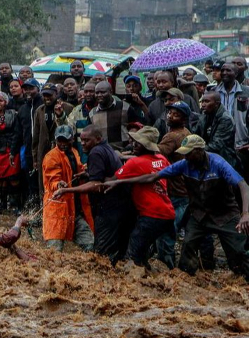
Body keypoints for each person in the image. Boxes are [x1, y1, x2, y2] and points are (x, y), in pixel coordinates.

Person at [104, 135, 249, 281]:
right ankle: (186, 281)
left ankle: (241, 279)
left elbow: (243, 185)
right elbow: (151, 177)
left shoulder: (218, 163)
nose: (185, 156)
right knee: (188, 245)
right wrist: (120, 182)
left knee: (238, 250)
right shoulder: (184, 164)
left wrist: (245, 214)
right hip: (199, 215)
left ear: (199, 151)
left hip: (225, 215)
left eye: (189, 153)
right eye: (184, 153)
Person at [53, 125, 134, 264]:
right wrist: (88, 174)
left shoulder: (95, 152)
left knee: (100, 256)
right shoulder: (106, 148)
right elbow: (105, 174)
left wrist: (67, 190)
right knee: (117, 252)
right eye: (81, 140)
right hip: (122, 206)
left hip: (109, 208)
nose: (83, 143)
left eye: (87, 140)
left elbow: (96, 186)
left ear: (97, 139)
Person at [112, 126, 175, 268]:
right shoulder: (162, 159)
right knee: (147, 252)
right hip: (168, 213)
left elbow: (112, 180)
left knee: (133, 256)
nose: (133, 144)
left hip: (150, 215)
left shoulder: (134, 163)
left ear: (146, 146)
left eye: (138, 143)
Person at [42, 125, 94, 252]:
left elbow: (79, 168)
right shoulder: (51, 157)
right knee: (54, 252)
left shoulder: (74, 152)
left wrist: (86, 171)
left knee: (90, 244)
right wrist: (59, 184)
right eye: (60, 141)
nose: (63, 144)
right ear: (55, 140)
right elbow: (52, 179)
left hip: (74, 209)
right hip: (57, 211)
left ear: (72, 140)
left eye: (65, 140)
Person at [155, 101, 192, 269]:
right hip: (187, 190)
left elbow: (156, 152)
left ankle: (166, 268)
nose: (170, 116)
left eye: (175, 114)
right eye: (169, 112)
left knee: (166, 231)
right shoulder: (186, 133)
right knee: (188, 232)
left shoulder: (172, 136)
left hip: (176, 192)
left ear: (183, 118)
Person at [32, 83, 72, 198]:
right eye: (44, 95)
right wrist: (35, 157)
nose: (47, 98)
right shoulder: (40, 110)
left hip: (62, 149)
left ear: (56, 94)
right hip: (43, 150)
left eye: (50, 95)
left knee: (61, 177)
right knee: (43, 178)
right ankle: (44, 203)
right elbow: (36, 135)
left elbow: (71, 128)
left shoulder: (68, 108)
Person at [12, 78, 44, 206]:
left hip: (43, 149)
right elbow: (18, 133)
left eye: (32, 88)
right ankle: (33, 206)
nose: (28, 91)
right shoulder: (23, 109)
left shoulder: (43, 106)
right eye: (26, 89)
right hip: (28, 149)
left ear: (38, 89)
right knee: (29, 179)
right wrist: (13, 152)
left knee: (43, 179)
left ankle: (44, 207)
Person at [215, 63, 249, 179]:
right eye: (222, 70)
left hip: (240, 145)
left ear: (236, 73)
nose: (224, 73)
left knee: (241, 179)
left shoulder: (246, 92)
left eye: (228, 70)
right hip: (219, 144)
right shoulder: (214, 92)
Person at [89, 81, 140, 151]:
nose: (99, 95)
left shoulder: (125, 107)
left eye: (103, 92)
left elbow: (136, 127)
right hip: (103, 154)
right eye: (97, 93)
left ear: (111, 92)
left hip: (125, 152)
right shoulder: (92, 113)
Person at [197, 91, 240, 171]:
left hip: (225, 161)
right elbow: (196, 134)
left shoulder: (225, 119)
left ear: (216, 104)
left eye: (207, 101)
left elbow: (216, 145)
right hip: (209, 158)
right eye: (202, 101)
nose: (203, 105)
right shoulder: (205, 115)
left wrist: (195, 151)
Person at [67, 82, 96, 163]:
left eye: (91, 91)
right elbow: (69, 128)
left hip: (99, 153)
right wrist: (60, 117)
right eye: (86, 92)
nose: (88, 94)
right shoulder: (77, 110)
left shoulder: (101, 109)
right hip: (82, 155)